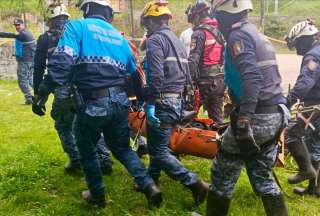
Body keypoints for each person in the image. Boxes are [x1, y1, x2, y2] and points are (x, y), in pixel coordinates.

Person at [34, 0, 162, 208]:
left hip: (92, 103)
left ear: (86, 9)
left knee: (85, 147)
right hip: (120, 103)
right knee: (122, 148)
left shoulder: (76, 27)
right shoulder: (117, 36)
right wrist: (144, 101)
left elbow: (62, 61)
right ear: (108, 13)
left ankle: (97, 195)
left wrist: (42, 92)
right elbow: (135, 74)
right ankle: (148, 185)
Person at [207, 0, 289, 215]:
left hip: (257, 115)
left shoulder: (238, 36)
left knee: (223, 169)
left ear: (224, 14)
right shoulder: (254, 32)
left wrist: (244, 119)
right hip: (275, 112)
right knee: (262, 174)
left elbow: (252, 77)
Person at [140, 1, 209, 205]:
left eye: (147, 23)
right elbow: (187, 73)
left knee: (159, 151)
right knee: (156, 142)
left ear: (152, 21)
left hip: (163, 100)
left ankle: (195, 183)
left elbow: (156, 75)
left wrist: (151, 102)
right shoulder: (176, 39)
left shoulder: (155, 40)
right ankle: (151, 180)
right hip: (177, 99)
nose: (146, 27)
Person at [32, 3, 113, 175]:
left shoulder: (45, 38)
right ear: (67, 18)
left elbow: (39, 67)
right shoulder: (78, 32)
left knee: (63, 125)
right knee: (89, 124)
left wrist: (38, 93)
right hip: (85, 87)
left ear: (50, 20)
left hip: (61, 88)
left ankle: (76, 160)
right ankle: (104, 157)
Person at [285, 19, 320, 196]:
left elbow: (305, 83)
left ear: (304, 39)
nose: (297, 49)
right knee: (314, 145)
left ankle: (306, 171)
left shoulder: (313, 56)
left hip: (315, 104)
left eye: (297, 44)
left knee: (291, 135)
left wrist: (288, 100)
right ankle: (315, 188)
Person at [187, 0, 225, 125]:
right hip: (219, 81)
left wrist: (188, 83)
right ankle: (218, 142)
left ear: (198, 16)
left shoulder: (199, 33)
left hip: (204, 82)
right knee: (217, 119)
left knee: (188, 116)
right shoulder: (219, 31)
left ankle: (191, 143)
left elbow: (193, 61)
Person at [0, 18, 35, 104]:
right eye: (15, 25)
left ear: (23, 24)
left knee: (22, 80)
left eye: (18, 25)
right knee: (30, 79)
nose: (17, 27)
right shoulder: (27, 33)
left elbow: (9, 35)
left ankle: (29, 99)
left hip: (25, 61)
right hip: (30, 60)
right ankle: (41, 93)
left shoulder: (23, 34)